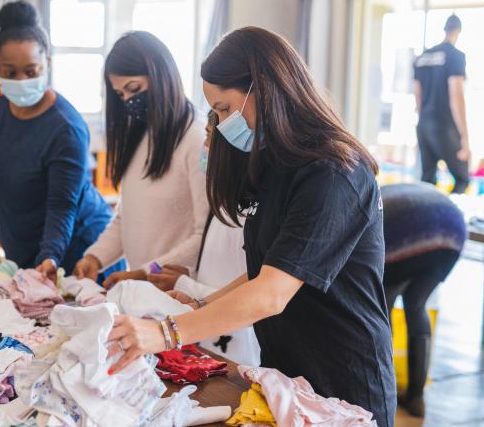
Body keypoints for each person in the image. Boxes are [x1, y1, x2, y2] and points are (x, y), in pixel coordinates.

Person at [106, 27, 396, 426]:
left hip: (343, 381)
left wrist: (166, 333)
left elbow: (272, 294)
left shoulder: (333, 174)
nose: (222, 124)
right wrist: (205, 303)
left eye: (225, 109)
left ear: (265, 89)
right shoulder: (277, 166)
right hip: (287, 374)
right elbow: (269, 267)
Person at [0, 0, 117, 280]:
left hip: (76, 254)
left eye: (31, 72)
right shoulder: (1, 108)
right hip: (27, 251)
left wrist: (49, 257)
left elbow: (62, 204)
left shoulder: (65, 128)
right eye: (10, 73)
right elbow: (10, 166)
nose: (21, 80)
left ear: (47, 64)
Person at [73, 31, 208, 288]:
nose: (128, 101)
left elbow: (205, 237)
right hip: (143, 290)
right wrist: (95, 257)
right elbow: (127, 217)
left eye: (133, 89)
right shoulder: (141, 135)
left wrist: (146, 272)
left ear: (160, 75)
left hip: (178, 292)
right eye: (121, 95)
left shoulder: (196, 139)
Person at [150, 110, 260, 366]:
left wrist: (186, 285)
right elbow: (220, 265)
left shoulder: (253, 213)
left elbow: (252, 289)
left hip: (242, 350)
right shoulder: (223, 201)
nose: (204, 147)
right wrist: (189, 274)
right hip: (210, 340)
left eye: (209, 137)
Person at [381, 183, 465, 417]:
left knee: (381, 310)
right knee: (416, 305)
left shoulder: (368, 200)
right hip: (453, 233)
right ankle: (416, 397)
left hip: (408, 233)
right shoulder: (388, 193)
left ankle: (380, 389)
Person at [414, 14, 469, 194]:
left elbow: (418, 95)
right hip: (444, 125)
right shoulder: (455, 56)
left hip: (424, 123)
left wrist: (424, 123)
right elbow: (456, 97)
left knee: (427, 178)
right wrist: (464, 138)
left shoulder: (422, 57)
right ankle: (449, 219)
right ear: (458, 31)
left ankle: (426, 219)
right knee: (462, 179)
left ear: (445, 29)